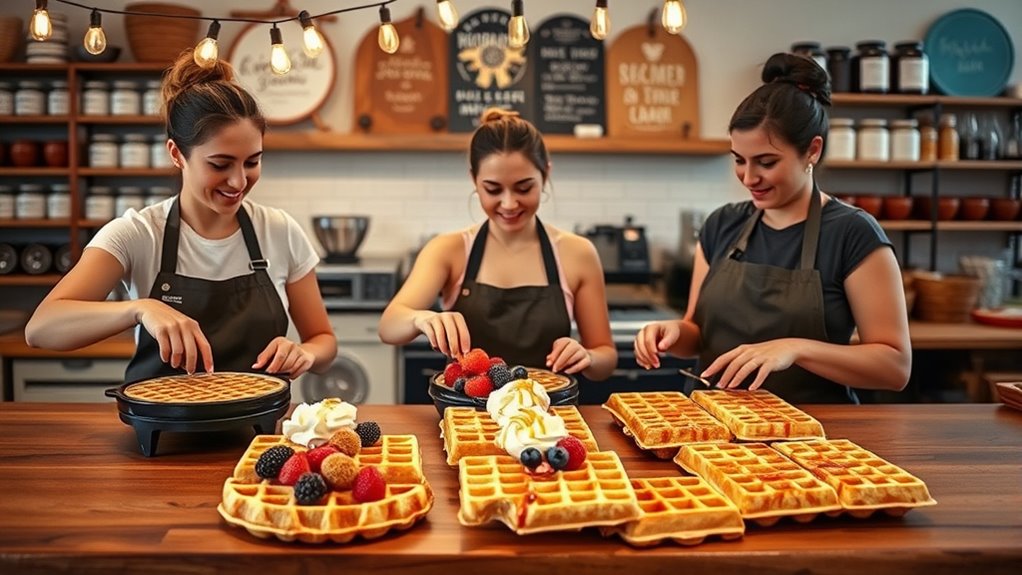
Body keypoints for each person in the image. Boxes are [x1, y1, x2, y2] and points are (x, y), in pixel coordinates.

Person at [25, 50, 336, 383]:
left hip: (261, 418)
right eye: (220, 164)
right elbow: (41, 328)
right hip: (163, 416)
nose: (238, 182)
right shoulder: (138, 234)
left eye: (252, 162)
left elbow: (323, 341)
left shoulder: (279, 231)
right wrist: (141, 309)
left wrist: (305, 352)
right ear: (176, 154)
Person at [633, 53, 911, 403]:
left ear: (812, 151)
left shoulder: (853, 234)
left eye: (766, 162)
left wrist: (795, 349)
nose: (749, 178)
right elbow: (697, 332)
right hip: (713, 421)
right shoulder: (722, 224)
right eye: (739, 160)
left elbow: (894, 367)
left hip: (814, 429)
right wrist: (672, 332)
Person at [379, 108, 616, 379]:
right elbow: (389, 327)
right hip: (468, 406)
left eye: (524, 188)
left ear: (545, 174)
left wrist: (588, 357)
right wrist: (421, 318)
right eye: (493, 189)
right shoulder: (448, 250)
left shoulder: (578, 253)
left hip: (547, 406)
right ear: (474, 180)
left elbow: (606, 357)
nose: (509, 203)